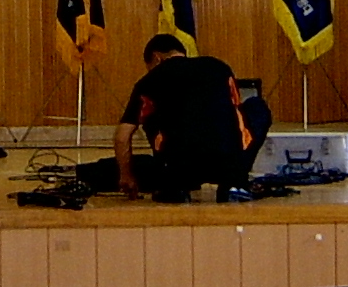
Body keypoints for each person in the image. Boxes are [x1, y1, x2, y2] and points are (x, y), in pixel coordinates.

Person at [113, 34, 272, 203]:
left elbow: (122, 137)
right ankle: (234, 184)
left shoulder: (148, 81)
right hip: (227, 163)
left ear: (156, 58)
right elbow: (235, 113)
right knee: (256, 107)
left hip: (181, 168)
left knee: (151, 114)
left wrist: (127, 176)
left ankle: (174, 188)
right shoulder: (219, 67)